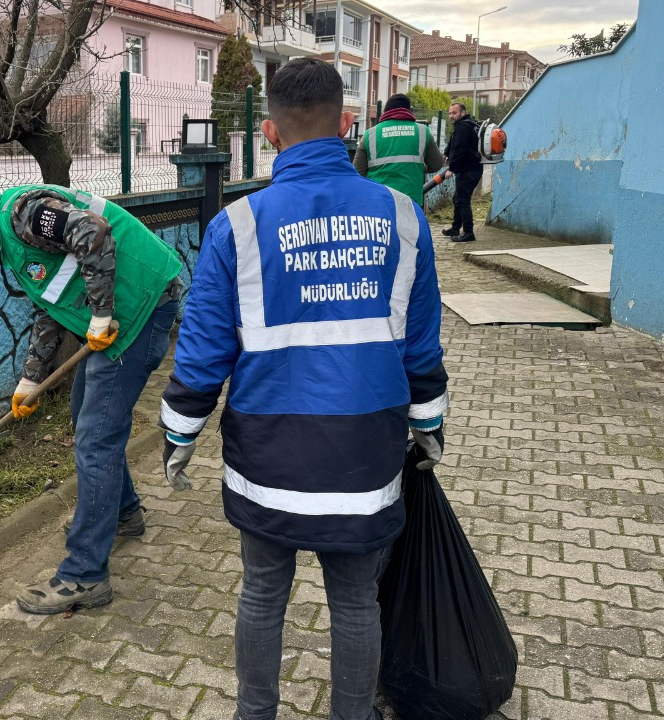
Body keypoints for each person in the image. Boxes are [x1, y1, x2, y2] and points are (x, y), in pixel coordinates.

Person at [158, 58, 449, 720]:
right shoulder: (404, 219)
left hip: (268, 452)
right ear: (349, 126)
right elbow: (421, 346)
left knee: (262, 592)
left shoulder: (236, 226)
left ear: (268, 132)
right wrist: (429, 426)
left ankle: (253, 714)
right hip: (366, 453)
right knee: (354, 600)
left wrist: (180, 434)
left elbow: (204, 353)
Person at [0, 177, 183, 615]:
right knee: (87, 417)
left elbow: (92, 231)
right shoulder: (14, 237)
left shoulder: (23, 212)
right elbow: (52, 303)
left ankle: (85, 575)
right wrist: (30, 378)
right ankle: (123, 514)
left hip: (139, 311)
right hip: (128, 314)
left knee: (96, 439)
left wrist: (101, 313)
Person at [353, 93, 444, 204]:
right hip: (411, 201)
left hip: (379, 200)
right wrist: (416, 166)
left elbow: (357, 172)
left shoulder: (370, 134)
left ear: (385, 111)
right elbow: (437, 164)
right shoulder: (422, 132)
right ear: (409, 110)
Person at [443, 102, 482, 242]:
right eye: (450, 113)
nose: (451, 116)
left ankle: (469, 232)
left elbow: (460, 149)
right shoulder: (463, 125)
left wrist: (451, 168)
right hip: (467, 169)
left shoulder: (464, 127)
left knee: (463, 201)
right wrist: (446, 153)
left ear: (463, 112)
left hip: (468, 170)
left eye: (454, 113)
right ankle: (455, 228)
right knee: (457, 199)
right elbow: (453, 144)